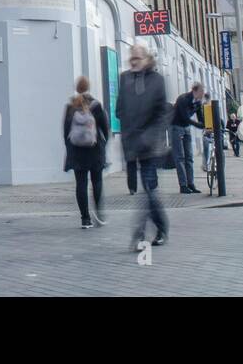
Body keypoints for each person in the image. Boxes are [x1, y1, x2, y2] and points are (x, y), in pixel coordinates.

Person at [115, 43, 170, 249]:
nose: (133, 61)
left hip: (152, 145)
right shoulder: (125, 79)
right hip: (133, 143)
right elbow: (120, 109)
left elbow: (162, 113)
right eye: (131, 58)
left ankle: (139, 234)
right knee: (149, 190)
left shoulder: (157, 81)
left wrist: (150, 135)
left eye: (137, 58)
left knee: (147, 188)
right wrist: (128, 131)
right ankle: (162, 227)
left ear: (147, 59)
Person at [63, 76, 109, 228]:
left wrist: (70, 148)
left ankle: (85, 219)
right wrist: (104, 144)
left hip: (77, 152)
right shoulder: (96, 105)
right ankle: (99, 214)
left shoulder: (70, 106)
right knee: (97, 182)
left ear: (77, 88)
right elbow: (104, 128)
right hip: (95, 150)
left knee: (80, 184)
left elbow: (65, 131)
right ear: (88, 87)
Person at [170, 82, 205, 194]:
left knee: (189, 157)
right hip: (176, 126)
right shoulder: (183, 99)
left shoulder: (198, 102)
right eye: (201, 91)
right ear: (195, 91)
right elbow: (185, 117)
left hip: (186, 128)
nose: (202, 94)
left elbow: (200, 117)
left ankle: (191, 184)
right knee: (180, 157)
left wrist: (205, 125)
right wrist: (198, 125)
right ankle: (183, 185)